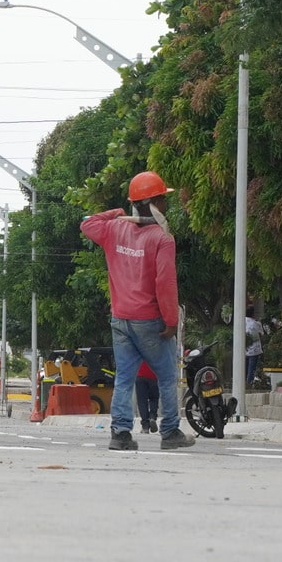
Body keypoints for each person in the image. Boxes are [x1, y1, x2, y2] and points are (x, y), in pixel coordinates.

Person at [79, 172, 193, 451]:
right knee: (166, 377)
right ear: (154, 203)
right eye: (162, 199)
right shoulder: (162, 238)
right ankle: (169, 433)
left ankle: (120, 434)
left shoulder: (114, 229)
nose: (166, 205)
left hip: (120, 318)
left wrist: (119, 212)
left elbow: (87, 223)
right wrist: (171, 320)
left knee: (125, 378)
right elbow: (165, 283)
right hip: (150, 320)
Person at [244, 308, 265, 389]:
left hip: (244, 349)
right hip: (254, 350)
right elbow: (261, 334)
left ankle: (243, 382)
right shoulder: (256, 323)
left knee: (244, 367)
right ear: (253, 314)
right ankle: (249, 383)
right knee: (251, 368)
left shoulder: (241, 321)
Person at [136, 360, 159, 434]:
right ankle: (152, 417)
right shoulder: (157, 348)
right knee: (154, 398)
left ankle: (145, 426)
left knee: (142, 401)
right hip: (154, 375)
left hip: (140, 375)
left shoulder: (140, 348)